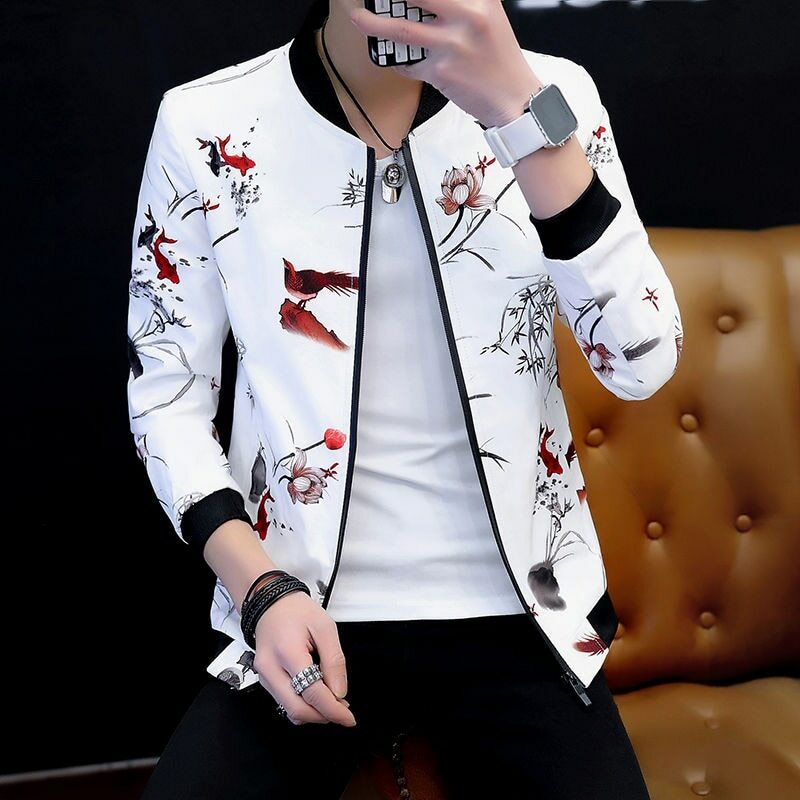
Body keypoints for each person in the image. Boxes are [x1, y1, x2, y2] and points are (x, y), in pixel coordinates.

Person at [129, 0, 681, 796]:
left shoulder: (554, 95)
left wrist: (519, 110)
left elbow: (642, 361)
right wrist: (258, 588)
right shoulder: (206, 121)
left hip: (523, 615)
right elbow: (166, 392)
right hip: (301, 603)